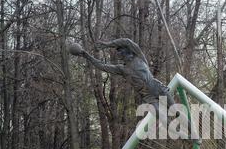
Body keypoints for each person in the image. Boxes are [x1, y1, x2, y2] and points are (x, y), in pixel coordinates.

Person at [67, 38, 198, 142]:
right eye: (119, 53)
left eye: (122, 51)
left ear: (128, 51)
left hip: (158, 88)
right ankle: (185, 137)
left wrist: (107, 44)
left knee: (175, 111)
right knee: (163, 118)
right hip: (149, 97)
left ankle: (194, 134)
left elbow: (128, 41)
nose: (121, 54)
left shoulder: (139, 57)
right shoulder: (122, 69)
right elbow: (102, 66)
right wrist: (86, 55)